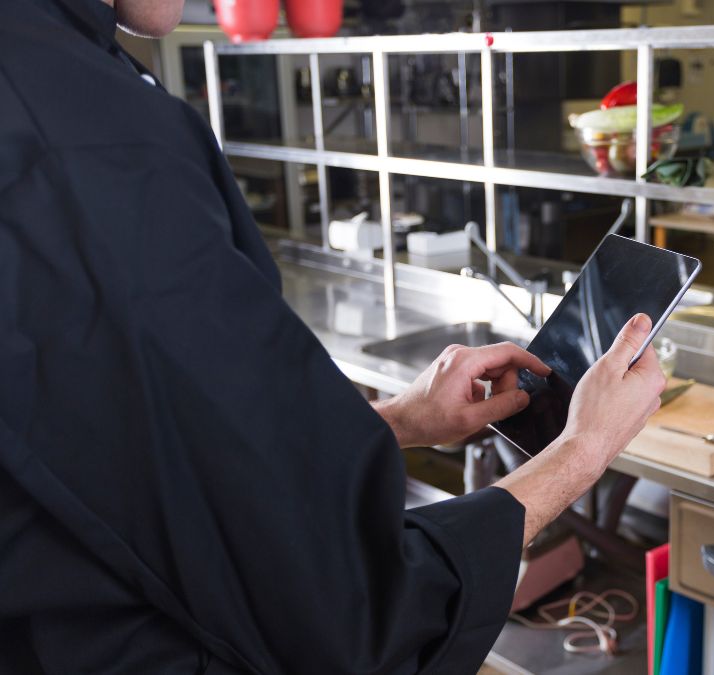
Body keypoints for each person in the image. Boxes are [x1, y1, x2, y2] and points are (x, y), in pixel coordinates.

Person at [0, 0, 666, 672]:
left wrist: (396, 421)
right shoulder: (86, 138)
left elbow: (146, 461)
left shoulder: (50, 79)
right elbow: (354, 610)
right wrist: (584, 449)